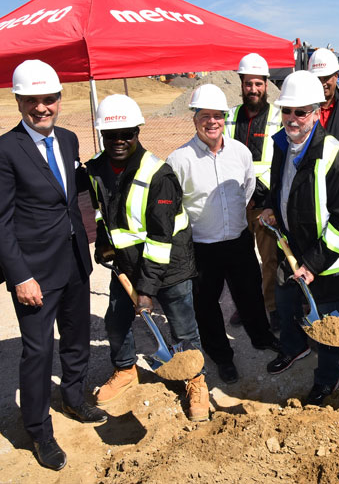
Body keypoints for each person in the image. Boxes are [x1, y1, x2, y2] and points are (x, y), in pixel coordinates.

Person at [0, 60, 105, 471]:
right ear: (19, 102)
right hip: (35, 272)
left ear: (60, 100)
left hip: (75, 260)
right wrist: (20, 276)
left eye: (49, 99)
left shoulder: (68, 139)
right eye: (32, 101)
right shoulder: (6, 150)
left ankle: (74, 398)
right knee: (39, 352)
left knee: (77, 339)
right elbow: (2, 222)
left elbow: (71, 195)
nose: (42, 108)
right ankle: (39, 431)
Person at [87, 95, 210, 423]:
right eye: (111, 135)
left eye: (126, 134)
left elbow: (159, 238)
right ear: (102, 135)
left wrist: (145, 290)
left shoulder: (158, 174)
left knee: (183, 328)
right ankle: (126, 369)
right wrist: (104, 241)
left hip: (169, 266)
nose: (118, 141)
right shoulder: (96, 168)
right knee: (115, 322)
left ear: (137, 133)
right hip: (125, 264)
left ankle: (195, 381)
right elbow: (101, 210)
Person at [260, 70, 339, 406]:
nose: (292, 118)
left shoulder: (338, 158)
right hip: (293, 247)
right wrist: (271, 206)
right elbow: (280, 186)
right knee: (285, 300)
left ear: (317, 113)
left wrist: (313, 264)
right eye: (287, 110)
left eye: (301, 112)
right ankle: (294, 348)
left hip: (329, 260)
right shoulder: (282, 143)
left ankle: (327, 379)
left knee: (327, 323)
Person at [167, 84, 281, 385]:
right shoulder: (179, 160)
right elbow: (175, 206)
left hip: (239, 240)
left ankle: (261, 336)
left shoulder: (240, 153)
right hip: (203, 246)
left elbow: (247, 189)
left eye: (217, 115)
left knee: (250, 294)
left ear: (224, 118)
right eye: (205, 116)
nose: (212, 122)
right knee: (206, 305)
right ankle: (222, 356)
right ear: (194, 118)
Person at [223, 53, 281, 331]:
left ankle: (271, 305)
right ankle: (247, 304)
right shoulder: (230, 117)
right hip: (236, 204)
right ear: (241, 84)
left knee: (270, 259)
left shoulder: (278, 116)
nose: (253, 89)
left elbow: (283, 159)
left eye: (258, 83)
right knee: (240, 261)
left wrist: (265, 194)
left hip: (265, 204)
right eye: (248, 83)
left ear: (266, 85)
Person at [308, 48, 339, 144]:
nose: (322, 83)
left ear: (336, 76)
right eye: (318, 79)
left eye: (326, 78)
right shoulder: (301, 110)